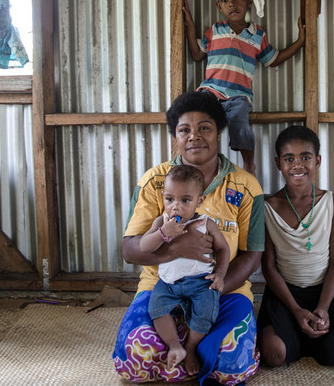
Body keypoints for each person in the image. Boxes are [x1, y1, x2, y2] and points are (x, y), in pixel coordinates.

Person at [113, 91, 265, 384]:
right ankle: (180, 344)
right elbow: (130, 249)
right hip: (160, 287)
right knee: (137, 355)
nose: (194, 136)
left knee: (230, 361)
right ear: (176, 137)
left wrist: (212, 290)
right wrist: (176, 249)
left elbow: (252, 255)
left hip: (223, 292)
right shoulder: (154, 181)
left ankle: (190, 346)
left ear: (218, 133)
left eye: (204, 128)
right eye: (184, 129)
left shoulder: (247, 186)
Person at [257, 125, 334, 368]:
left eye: (306, 157)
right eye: (288, 158)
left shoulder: (332, 203)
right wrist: (295, 310)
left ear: (318, 160)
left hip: (323, 292)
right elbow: (269, 267)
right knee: (274, 354)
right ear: (277, 163)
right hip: (285, 295)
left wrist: (323, 308)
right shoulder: (267, 206)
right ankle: (300, 332)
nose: (298, 165)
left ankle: (314, 329)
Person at [182, 0, 305, 176]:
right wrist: (191, 26)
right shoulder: (213, 31)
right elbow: (196, 55)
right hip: (210, 91)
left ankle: (249, 163)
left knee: (240, 121)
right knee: (195, 117)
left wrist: (300, 41)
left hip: (239, 95)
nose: (232, 4)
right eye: (225, 0)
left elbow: (274, 59)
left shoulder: (258, 35)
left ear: (249, 1)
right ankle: (199, 162)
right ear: (218, 6)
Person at [141, 164, 230, 373]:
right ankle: (175, 346)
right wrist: (163, 233)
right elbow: (144, 247)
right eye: (170, 199)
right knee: (157, 308)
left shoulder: (205, 223)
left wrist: (220, 274)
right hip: (168, 284)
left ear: (200, 200)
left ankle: (190, 346)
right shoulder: (162, 222)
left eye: (185, 200)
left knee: (207, 311)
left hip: (201, 282)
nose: (176, 207)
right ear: (163, 197)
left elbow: (223, 249)